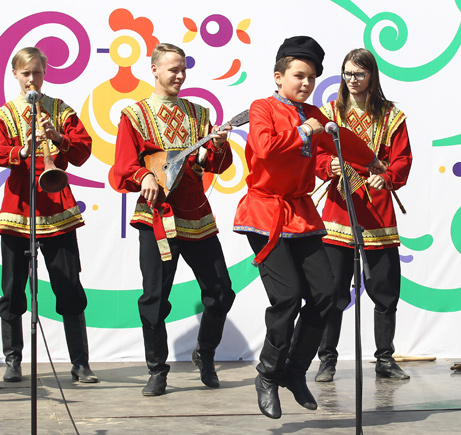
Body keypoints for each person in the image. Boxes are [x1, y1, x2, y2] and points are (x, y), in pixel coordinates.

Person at [233, 36, 384, 419]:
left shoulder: (313, 114)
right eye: (299, 75)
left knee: (328, 296)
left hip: (301, 214)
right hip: (265, 213)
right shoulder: (263, 108)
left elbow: (341, 139)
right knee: (287, 298)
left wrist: (371, 161)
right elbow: (264, 147)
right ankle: (268, 374)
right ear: (279, 76)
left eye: (312, 77)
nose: (305, 83)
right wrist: (306, 131)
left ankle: (295, 370)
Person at [113, 43, 235, 397]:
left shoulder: (198, 114)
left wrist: (219, 144)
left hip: (196, 215)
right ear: (154, 69)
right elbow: (123, 167)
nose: (180, 75)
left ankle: (205, 353)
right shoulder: (135, 115)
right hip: (157, 217)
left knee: (221, 292)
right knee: (154, 298)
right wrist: (144, 176)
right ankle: (157, 370)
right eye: (173, 69)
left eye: (183, 69)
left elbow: (215, 164)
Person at [0, 47, 98, 384]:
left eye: (37, 72)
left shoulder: (60, 110)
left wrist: (56, 137)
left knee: (69, 287)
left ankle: (80, 363)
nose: (32, 79)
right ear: (15, 75)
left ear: (45, 73)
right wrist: (22, 149)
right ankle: (13, 360)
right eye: (26, 73)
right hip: (19, 206)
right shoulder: (4, 114)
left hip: (57, 207)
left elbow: (83, 151)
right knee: (12, 289)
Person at [314, 48, 413, 382]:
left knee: (385, 290)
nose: (352, 80)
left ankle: (385, 359)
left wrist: (387, 177)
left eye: (359, 74)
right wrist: (327, 165)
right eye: (347, 73)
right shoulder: (330, 113)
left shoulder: (391, 116)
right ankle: (327, 359)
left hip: (376, 212)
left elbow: (402, 159)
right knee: (332, 291)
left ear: (372, 76)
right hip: (339, 210)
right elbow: (314, 155)